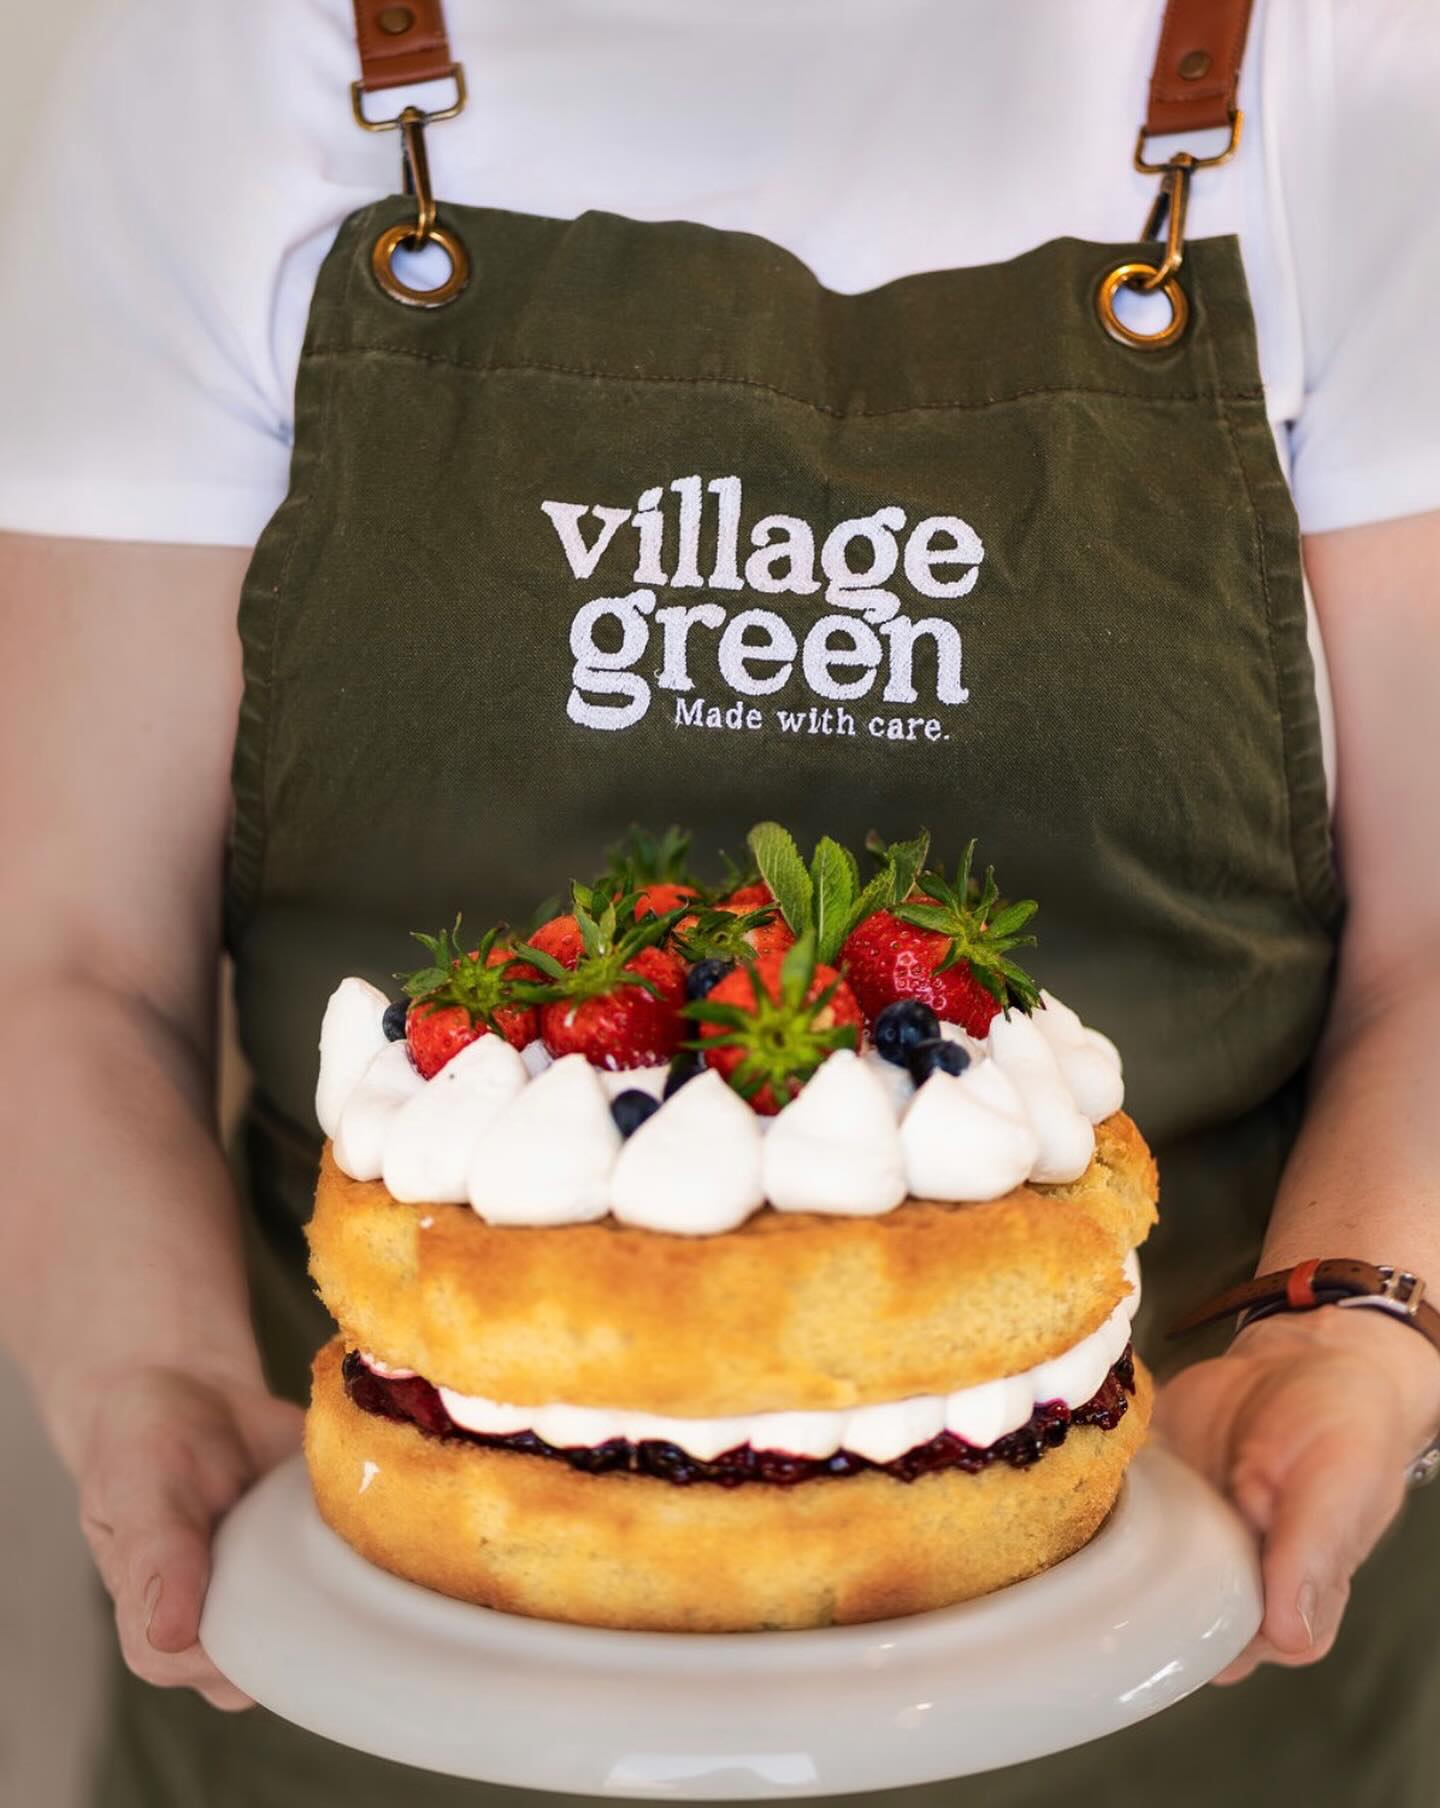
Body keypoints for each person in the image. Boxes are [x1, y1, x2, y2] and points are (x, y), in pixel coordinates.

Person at [2, 1, 1438, 1804]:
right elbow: (64, 969)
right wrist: (144, 1370)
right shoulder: (222, 58)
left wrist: (1355, 1319)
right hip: (378, 1659)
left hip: (1191, 1633)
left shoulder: (1348, 59)